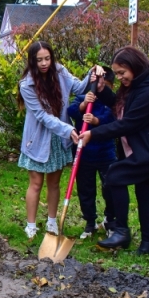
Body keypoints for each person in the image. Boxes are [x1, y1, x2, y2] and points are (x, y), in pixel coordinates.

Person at [79, 46, 149, 255]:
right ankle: (148, 245)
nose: (120, 77)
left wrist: (93, 134)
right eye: (118, 73)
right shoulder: (137, 85)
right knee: (143, 193)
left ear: (134, 66)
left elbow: (128, 123)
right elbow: (119, 105)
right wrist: (101, 89)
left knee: (115, 175)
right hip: (145, 149)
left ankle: (121, 230)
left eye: (123, 72)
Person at [17, 41, 101, 240]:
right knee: (36, 183)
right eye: (39, 60)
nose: (44, 63)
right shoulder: (26, 85)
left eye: (47, 58)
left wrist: (92, 73)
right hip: (38, 139)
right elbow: (42, 116)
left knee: (54, 183)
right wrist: (69, 128)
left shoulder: (60, 72)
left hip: (59, 137)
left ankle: (52, 222)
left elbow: (80, 88)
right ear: (32, 61)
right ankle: (30, 225)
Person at [67, 68, 117, 239]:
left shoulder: (110, 103)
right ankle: (90, 223)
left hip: (105, 154)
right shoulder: (83, 98)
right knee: (85, 189)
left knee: (110, 187)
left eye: (105, 87)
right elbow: (71, 111)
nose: (99, 91)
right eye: (96, 86)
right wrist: (82, 106)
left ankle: (110, 220)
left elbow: (114, 119)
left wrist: (97, 121)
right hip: (84, 154)